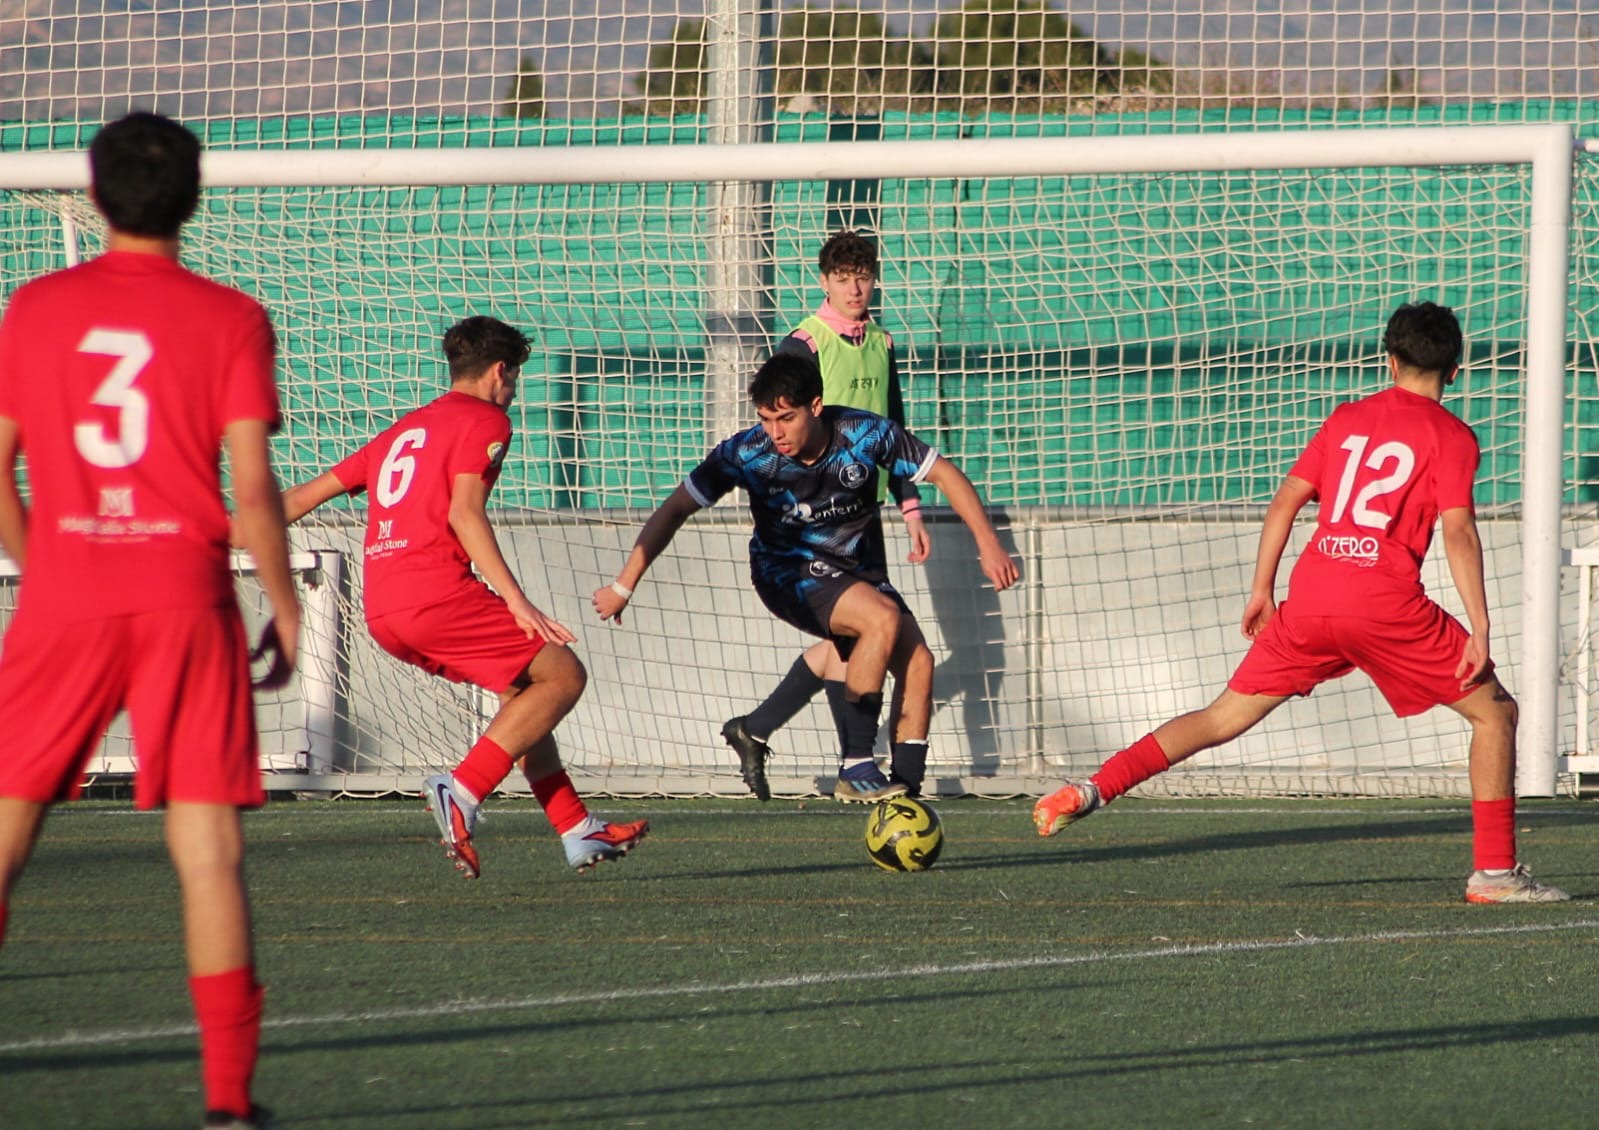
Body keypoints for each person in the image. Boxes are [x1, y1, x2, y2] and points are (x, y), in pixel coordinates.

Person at [1033, 301, 1569, 905]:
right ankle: (1494, 874)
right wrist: (1480, 625)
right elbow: (1458, 531)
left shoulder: (1346, 418)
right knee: (1495, 715)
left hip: (1311, 597)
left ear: (1390, 361)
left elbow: (1287, 499)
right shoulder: (1452, 435)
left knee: (1220, 719)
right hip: (1385, 604)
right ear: (1456, 369)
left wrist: (1262, 589)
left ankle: (1092, 788)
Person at [0, 111, 300, 1130]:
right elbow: (251, 488)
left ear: (93, 195)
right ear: (195, 198)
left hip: (65, 598)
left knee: (7, 830)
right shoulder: (231, 317)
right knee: (206, 850)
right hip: (185, 595)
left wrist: (48, 567)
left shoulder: (36, 308)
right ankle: (228, 1103)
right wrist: (285, 603)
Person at [280, 316, 646, 880]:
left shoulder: (402, 431)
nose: (515, 389)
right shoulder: (486, 419)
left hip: (384, 609)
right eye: (516, 376)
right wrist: (518, 601)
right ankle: (463, 790)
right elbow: (464, 514)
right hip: (436, 594)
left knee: (523, 694)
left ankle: (577, 827)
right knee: (563, 675)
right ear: (501, 371)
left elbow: (299, 499)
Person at [593, 351, 1019, 803]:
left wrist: (988, 543)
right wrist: (623, 585)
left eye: (786, 418)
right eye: (766, 419)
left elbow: (945, 474)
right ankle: (856, 765)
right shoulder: (747, 453)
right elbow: (675, 508)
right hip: (785, 573)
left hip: (857, 572)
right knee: (881, 619)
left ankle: (903, 799)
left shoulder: (865, 433)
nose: (775, 432)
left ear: (815, 406)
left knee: (919, 663)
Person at [721, 230, 931, 801]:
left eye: (863, 277)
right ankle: (854, 766)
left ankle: (760, 730)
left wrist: (910, 505)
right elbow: (776, 420)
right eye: (842, 279)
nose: (854, 288)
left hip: (861, 510)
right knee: (865, 631)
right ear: (824, 282)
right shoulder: (803, 342)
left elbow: (895, 424)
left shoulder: (882, 341)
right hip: (812, 518)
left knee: (858, 637)